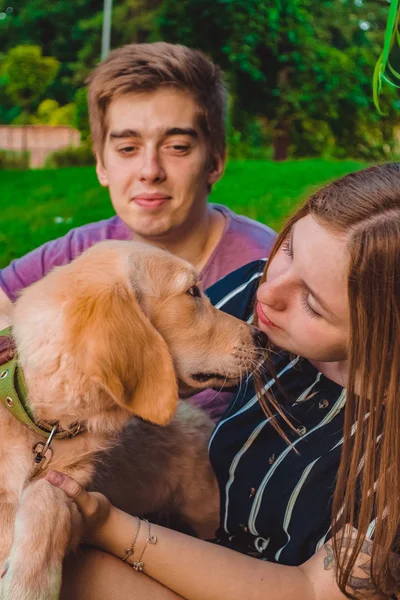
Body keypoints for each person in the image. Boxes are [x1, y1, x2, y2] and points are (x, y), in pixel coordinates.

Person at [45, 163, 400, 599]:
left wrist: (107, 525)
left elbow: (310, 592)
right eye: (287, 249)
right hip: (188, 539)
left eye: (311, 302)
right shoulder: (261, 300)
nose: (268, 292)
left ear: (386, 335)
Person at [0, 42, 275, 325]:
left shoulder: (267, 268)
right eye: (128, 149)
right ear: (101, 165)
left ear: (215, 162)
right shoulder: (74, 255)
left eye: (177, 146)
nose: (150, 171)